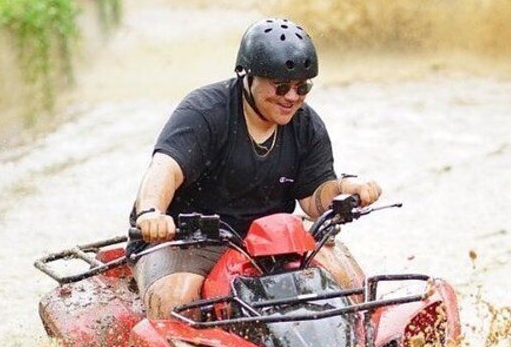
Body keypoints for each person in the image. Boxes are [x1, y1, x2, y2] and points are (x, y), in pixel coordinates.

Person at [129, 17, 381, 319]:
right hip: (189, 241)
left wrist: (344, 188)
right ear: (247, 77)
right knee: (177, 301)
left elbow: (314, 200)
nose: (292, 97)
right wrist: (151, 213)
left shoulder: (306, 125)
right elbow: (165, 168)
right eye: (281, 86)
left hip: (270, 243)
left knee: (346, 281)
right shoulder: (205, 112)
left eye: (302, 87)